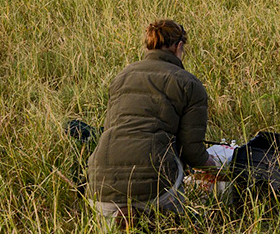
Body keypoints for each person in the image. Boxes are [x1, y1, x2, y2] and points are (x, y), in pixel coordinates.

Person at [88, 20, 215, 222]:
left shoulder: (122, 76)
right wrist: (215, 165)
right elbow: (192, 151)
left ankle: (122, 219)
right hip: (156, 188)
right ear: (179, 46)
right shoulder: (188, 83)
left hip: (100, 187)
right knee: (169, 233)